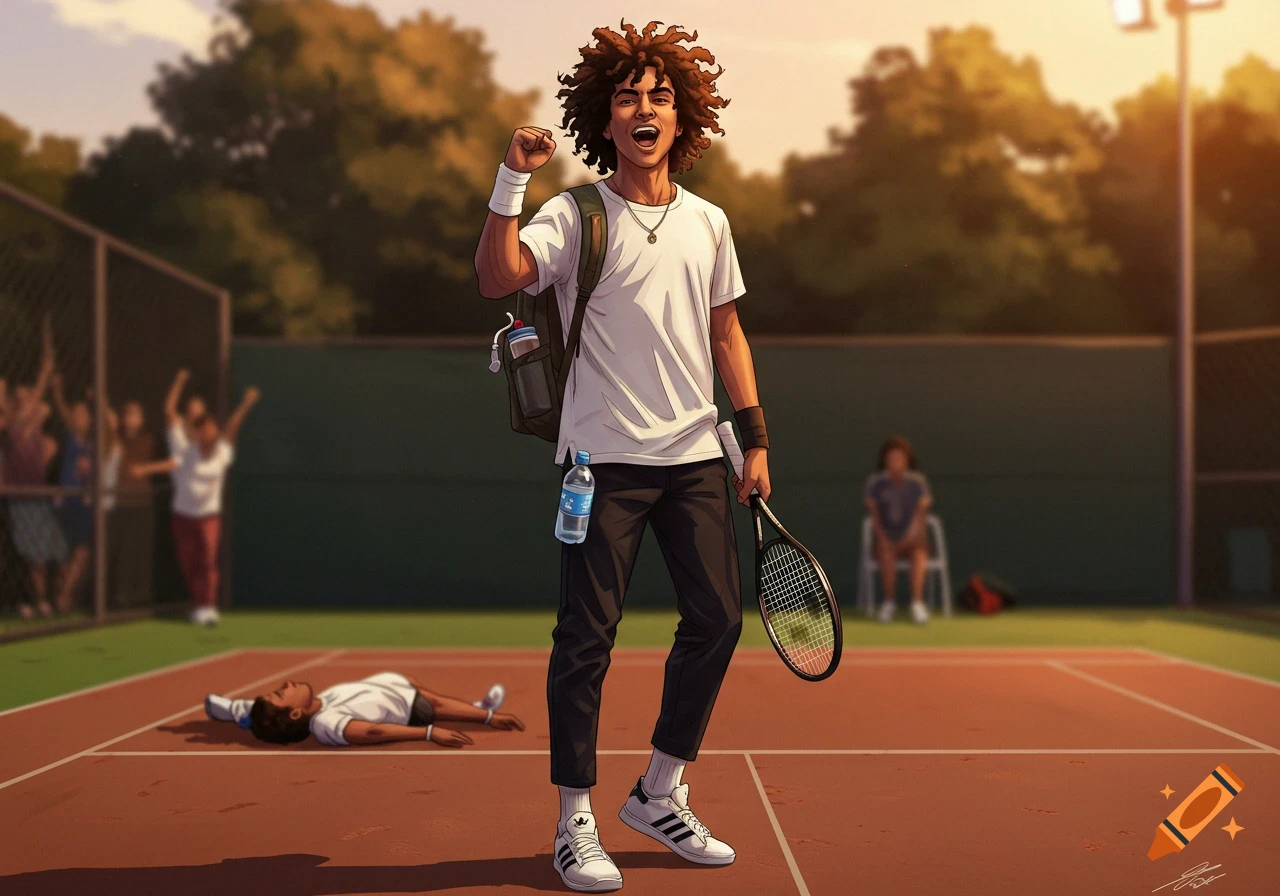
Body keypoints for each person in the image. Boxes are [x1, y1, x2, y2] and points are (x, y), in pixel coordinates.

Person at [474, 22, 769, 892]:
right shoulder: (575, 214)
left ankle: (660, 791)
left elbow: (727, 332)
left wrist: (753, 438)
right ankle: (574, 822)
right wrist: (512, 181)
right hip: (598, 464)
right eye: (630, 97)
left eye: (662, 96)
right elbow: (499, 278)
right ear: (605, 119)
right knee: (585, 642)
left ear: (685, 118)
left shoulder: (710, 223)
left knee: (718, 621)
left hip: (695, 458)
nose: (646, 109)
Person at [132, 385, 261, 626]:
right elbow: (171, 464)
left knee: (208, 560)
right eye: (203, 430)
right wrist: (144, 469)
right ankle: (199, 605)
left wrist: (246, 403)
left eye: (212, 429)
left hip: (209, 516)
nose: (209, 434)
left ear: (215, 432)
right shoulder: (189, 452)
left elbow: (233, 425)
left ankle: (208, 607)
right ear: (198, 434)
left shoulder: (223, 451)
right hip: (182, 516)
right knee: (189, 564)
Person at [203, 674, 521, 748]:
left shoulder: (323, 702)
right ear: (296, 715)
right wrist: (428, 732)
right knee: (433, 703)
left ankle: (241, 712)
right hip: (408, 704)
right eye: (280, 694)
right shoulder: (326, 723)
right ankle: (479, 708)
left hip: (392, 689)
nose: (286, 682)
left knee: (427, 697)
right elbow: (370, 731)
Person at [3, 349, 66, 620]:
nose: (30, 405)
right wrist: (43, 373)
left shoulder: (39, 435)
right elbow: (32, 403)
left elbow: (44, 407)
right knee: (30, 556)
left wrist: (46, 374)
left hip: (38, 499)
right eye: (24, 403)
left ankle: (44, 599)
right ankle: (32, 601)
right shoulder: (15, 431)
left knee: (47, 554)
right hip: (22, 501)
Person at [865, 436, 935, 625]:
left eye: (899, 458)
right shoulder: (876, 483)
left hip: (913, 540)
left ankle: (917, 604)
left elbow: (921, 512)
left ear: (907, 460)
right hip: (887, 541)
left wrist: (911, 535)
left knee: (919, 553)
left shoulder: (917, 482)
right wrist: (883, 539)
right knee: (886, 552)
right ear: (885, 461)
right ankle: (889, 603)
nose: (895, 462)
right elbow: (874, 517)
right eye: (891, 458)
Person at [49, 373, 94, 613]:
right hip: (65, 502)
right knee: (63, 553)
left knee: (83, 551)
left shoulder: (93, 442)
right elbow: (61, 408)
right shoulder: (70, 438)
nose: (77, 416)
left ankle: (66, 595)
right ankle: (60, 595)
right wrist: (57, 390)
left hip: (83, 503)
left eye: (83, 413)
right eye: (75, 413)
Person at [110, 400, 157, 608]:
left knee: (142, 549)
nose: (131, 419)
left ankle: (141, 592)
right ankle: (122, 594)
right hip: (122, 502)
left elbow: (141, 465)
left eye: (136, 415)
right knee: (124, 549)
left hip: (142, 502)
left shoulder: (147, 440)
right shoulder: (115, 440)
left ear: (142, 420)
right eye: (128, 414)